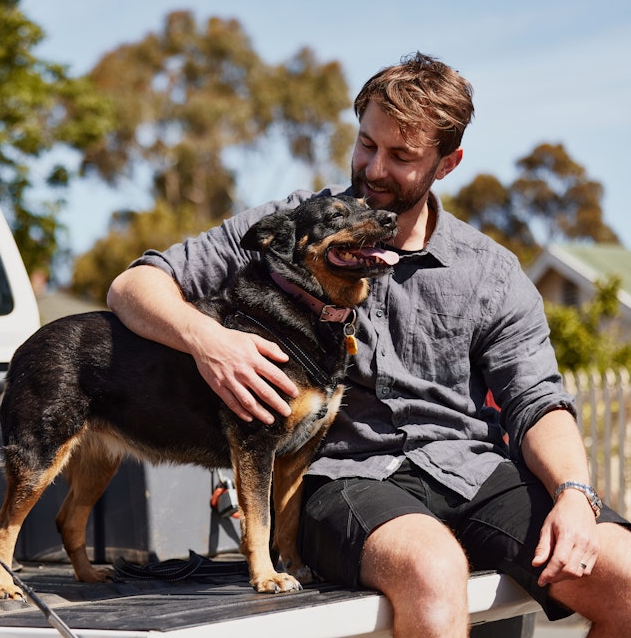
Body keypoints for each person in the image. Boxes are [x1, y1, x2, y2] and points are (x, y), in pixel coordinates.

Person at [106, 52, 631, 637]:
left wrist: (573, 493)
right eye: (366, 145)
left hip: (471, 473)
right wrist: (209, 341)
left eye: (402, 156)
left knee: (627, 579)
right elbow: (132, 286)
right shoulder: (292, 224)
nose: (374, 169)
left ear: (447, 163)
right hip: (342, 479)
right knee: (432, 570)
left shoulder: (493, 273)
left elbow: (537, 401)